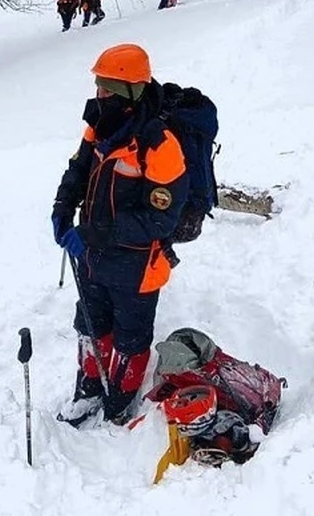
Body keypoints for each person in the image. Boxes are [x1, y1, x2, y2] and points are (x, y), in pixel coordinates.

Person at [52, 43, 190, 427]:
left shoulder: (160, 145)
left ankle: (120, 398)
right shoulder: (99, 124)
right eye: (99, 86)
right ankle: (89, 388)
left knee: (130, 337)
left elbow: (162, 219)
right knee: (91, 325)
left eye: (108, 89)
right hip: (93, 257)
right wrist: (62, 209)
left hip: (137, 265)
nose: (100, 95)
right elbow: (78, 169)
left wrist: (94, 233)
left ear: (130, 92)